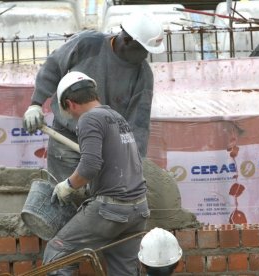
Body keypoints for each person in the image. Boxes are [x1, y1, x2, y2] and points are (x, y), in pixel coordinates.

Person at [22, 11, 164, 197]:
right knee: (62, 199)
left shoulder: (142, 76)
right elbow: (53, 67)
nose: (146, 56)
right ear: (127, 40)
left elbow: (138, 126)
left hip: (106, 148)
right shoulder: (88, 44)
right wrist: (35, 104)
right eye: (143, 49)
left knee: (97, 205)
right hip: (67, 137)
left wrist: (132, 165)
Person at [43, 71, 150, 276]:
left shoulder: (88, 119)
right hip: (138, 210)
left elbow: (90, 165)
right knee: (124, 269)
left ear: (70, 103)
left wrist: (68, 185)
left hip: (111, 209)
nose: (72, 117)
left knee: (57, 251)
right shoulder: (116, 117)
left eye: (69, 112)